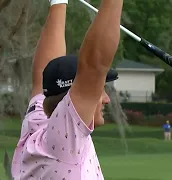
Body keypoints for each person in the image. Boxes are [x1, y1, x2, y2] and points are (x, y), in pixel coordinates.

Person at [11, 0, 123, 179]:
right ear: (69, 102)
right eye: (99, 90)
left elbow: (44, 73)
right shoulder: (66, 138)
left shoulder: (39, 123)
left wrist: (58, 3)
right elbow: (94, 64)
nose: (106, 99)